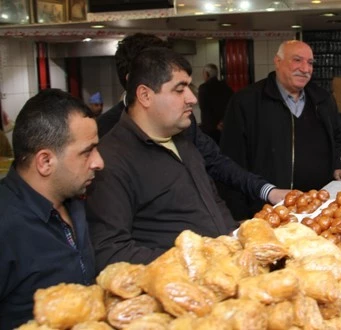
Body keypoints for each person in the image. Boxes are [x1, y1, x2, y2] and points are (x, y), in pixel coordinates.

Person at [95, 33, 288, 216]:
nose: (191, 99)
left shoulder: (183, 124)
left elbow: (216, 163)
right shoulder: (105, 137)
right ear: (139, 84)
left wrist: (267, 191)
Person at [86, 48, 239, 273]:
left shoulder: (183, 139)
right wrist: (195, 261)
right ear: (145, 95)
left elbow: (213, 202)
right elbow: (111, 251)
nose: (192, 98)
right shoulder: (111, 159)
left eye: (189, 87)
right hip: (176, 288)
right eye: (180, 90)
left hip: (221, 274)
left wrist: (234, 238)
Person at [0, 89, 104, 329]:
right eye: (87, 151)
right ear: (45, 162)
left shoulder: (76, 200)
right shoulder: (5, 225)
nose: (99, 162)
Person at [220, 40, 341, 220]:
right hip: (269, 210)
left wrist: (338, 164)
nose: (305, 69)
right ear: (277, 61)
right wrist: (239, 216)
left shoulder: (323, 99)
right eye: (297, 60)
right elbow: (231, 161)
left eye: (310, 63)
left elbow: (338, 138)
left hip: (321, 207)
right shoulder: (246, 102)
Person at [198, 63, 234, 144]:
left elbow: (204, 109)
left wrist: (213, 125)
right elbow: (232, 106)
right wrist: (222, 121)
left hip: (210, 130)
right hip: (224, 127)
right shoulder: (226, 87)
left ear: (207, 74)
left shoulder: (204, 88)